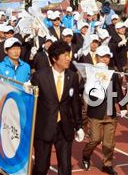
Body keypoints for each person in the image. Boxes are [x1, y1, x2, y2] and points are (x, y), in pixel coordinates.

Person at [29, 41, 84, 175]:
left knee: (65, 168)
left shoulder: (72, 76)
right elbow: (32, 104)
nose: (68, 58)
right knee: (41, 167)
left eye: (68, 54)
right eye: (64, 55)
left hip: (64, 128)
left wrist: (79, 126)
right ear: (54, 58)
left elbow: (75, 102)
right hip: (44, 128)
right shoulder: (39, 77)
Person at [81, 46, 127, 175]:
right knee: (95, 139)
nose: (105, 59)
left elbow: (117, 90)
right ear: (96, 57)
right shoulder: (90, 72)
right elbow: (82, 89)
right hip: (96, 113)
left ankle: (107, 164)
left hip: (110, 112)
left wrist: (123, 106)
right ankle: (86, 155)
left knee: (109, 143)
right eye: (102, 57)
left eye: (107, 57)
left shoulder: (112, 73)